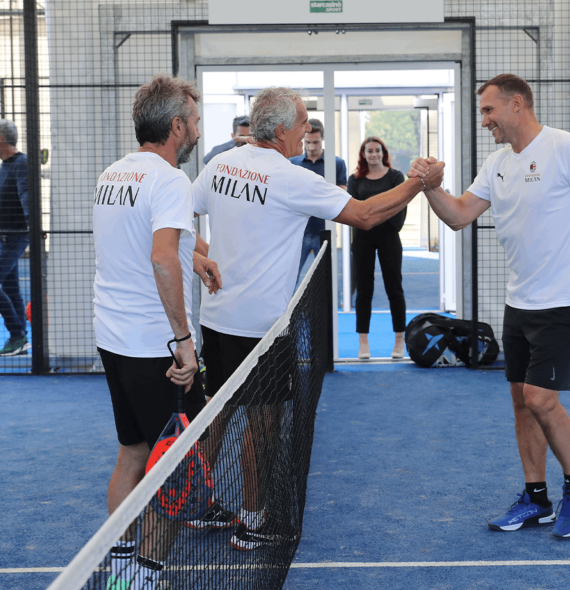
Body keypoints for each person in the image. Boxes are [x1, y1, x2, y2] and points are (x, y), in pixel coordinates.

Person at [188, 86, 443, 550]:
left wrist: (200, 256)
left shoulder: (220, 164)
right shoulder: (290, 178)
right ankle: (250, 521)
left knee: (218, 412)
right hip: (262, 329)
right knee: (261, 423)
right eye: (304, 122)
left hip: (216, 318)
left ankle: (200, 505)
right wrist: (420, 183)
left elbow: (178, 216)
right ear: (283, 129)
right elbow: (366, 216)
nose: (308, 129)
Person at [411, 74, 570, 539]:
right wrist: (429, 186)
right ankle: (536, 498)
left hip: (565, 301)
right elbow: (460, 215)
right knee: (521, 406)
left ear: (517, 104)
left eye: (489, 111)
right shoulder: (497, 163)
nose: (484, 121)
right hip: (518, 303)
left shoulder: (568, 148)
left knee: (540, 399)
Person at [94, 74, 221, 590]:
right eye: (194, 120)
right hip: (154, 347)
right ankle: (142, 589)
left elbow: (145, 242)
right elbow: (158, 257)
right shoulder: (171, 180)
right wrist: (184, 342)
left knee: (132, 451)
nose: (197, 129)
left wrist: (194, 254)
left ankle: (121, 573)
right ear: (175, 126)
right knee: (177, 467)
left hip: (112, 338)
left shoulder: (112, 175)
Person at [347, 136, 408, 360]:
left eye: (377, 150)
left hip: (389, 235)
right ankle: (363, 341)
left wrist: (376, 215)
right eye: (369, 151)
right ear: (363, 154)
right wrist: (370, 218)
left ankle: (399, 340)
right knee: (364, 290)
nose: (373, 154)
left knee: (394, 288)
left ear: (383, 153)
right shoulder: (355, 179)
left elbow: (399, 205)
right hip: (363, 237)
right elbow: (354, 209)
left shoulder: (395, 177)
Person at [0, 120, 31, 357]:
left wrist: (32, 226)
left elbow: (26, 195)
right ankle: (20, 340)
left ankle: (17, 334)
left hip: (13, 237)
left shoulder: (21, 164)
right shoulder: (5, 165)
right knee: (11, 290)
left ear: (0, 139)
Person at [289, 118, 348, 272]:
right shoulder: (292, 163)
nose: (311, 147)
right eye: (307, 142)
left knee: (326, 281)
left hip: (325, 229)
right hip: (299, 232)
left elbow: (341, 193)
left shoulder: (337, 163)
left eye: (315, 142)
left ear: (322, 139)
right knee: (290, 277)